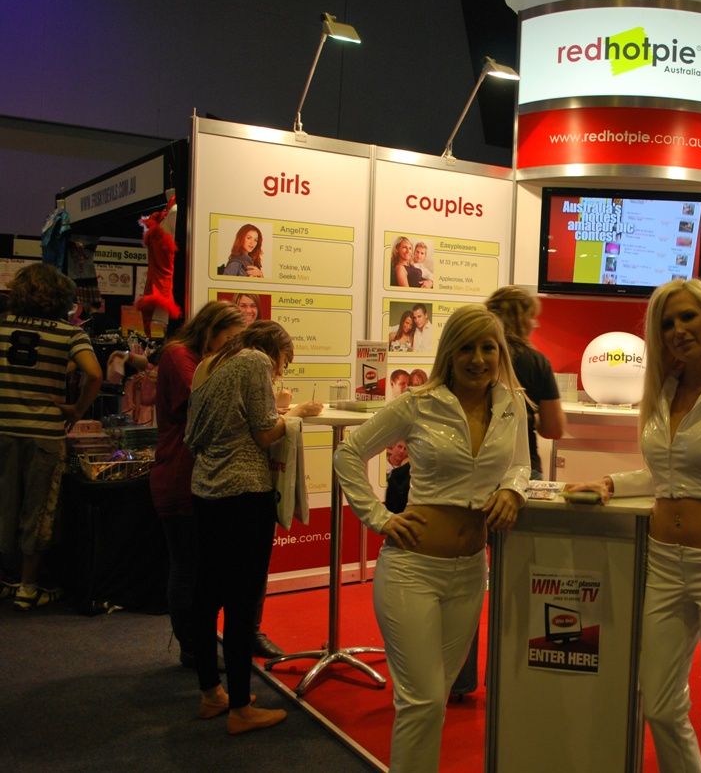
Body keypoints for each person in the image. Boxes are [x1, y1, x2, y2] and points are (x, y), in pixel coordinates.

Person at [568, 278, 701, 772]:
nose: (678, 330)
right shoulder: (662, 392)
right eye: (667, 323)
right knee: (659, 703)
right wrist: (613, 481)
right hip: (665, 563)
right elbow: (666, 474)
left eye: (688, 317)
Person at [333, 304, 530, 772]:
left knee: (434, 699)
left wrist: (512, 489)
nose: (478, 359)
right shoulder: (419, 402)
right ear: (449, 353)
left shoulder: (511, 403)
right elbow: (349, 453)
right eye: (466, 348)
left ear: (500, 353)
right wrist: (379, 517)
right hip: (412, 571)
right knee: (421, 701)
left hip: (470, 572)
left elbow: (520, 463)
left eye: (488, 348)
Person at [184, 320, 322, 733]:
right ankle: (241, 708)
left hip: (205, 488)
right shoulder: (255, 361)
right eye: (284, 363)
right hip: (244, 492)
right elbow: (264, 433)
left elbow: (198, 431)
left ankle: (212, 693)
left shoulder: (210, 363)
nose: (279, 371)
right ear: (275, 350)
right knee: (243, 603)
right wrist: (296, 414)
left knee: (206, 597)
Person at [0, 264, 102, 610]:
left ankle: (4, 577)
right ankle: (27, 587)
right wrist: (76, 409)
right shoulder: (68, 334)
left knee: (4, 505)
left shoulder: (2, 326)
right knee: (39, 509)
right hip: (44, 434)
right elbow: (94, 373)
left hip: (3, 429)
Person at [150, 301, 246, 667]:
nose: (233, 347)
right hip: (181, 475)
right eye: (230, 339)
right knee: (188, 566)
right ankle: (192, 648)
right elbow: (204, 403)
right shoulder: (179, 356)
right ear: (210, 330)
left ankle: (201, 645)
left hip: (200, 474)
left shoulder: (202, 359)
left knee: (203, 567)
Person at [485, 286, 566, 479]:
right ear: (520, 321)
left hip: (478, 468)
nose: (535, 324)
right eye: (531, 317)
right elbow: (554, 429)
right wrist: (529, 417)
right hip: (523, 468)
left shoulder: (470, 359)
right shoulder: (536, 362)